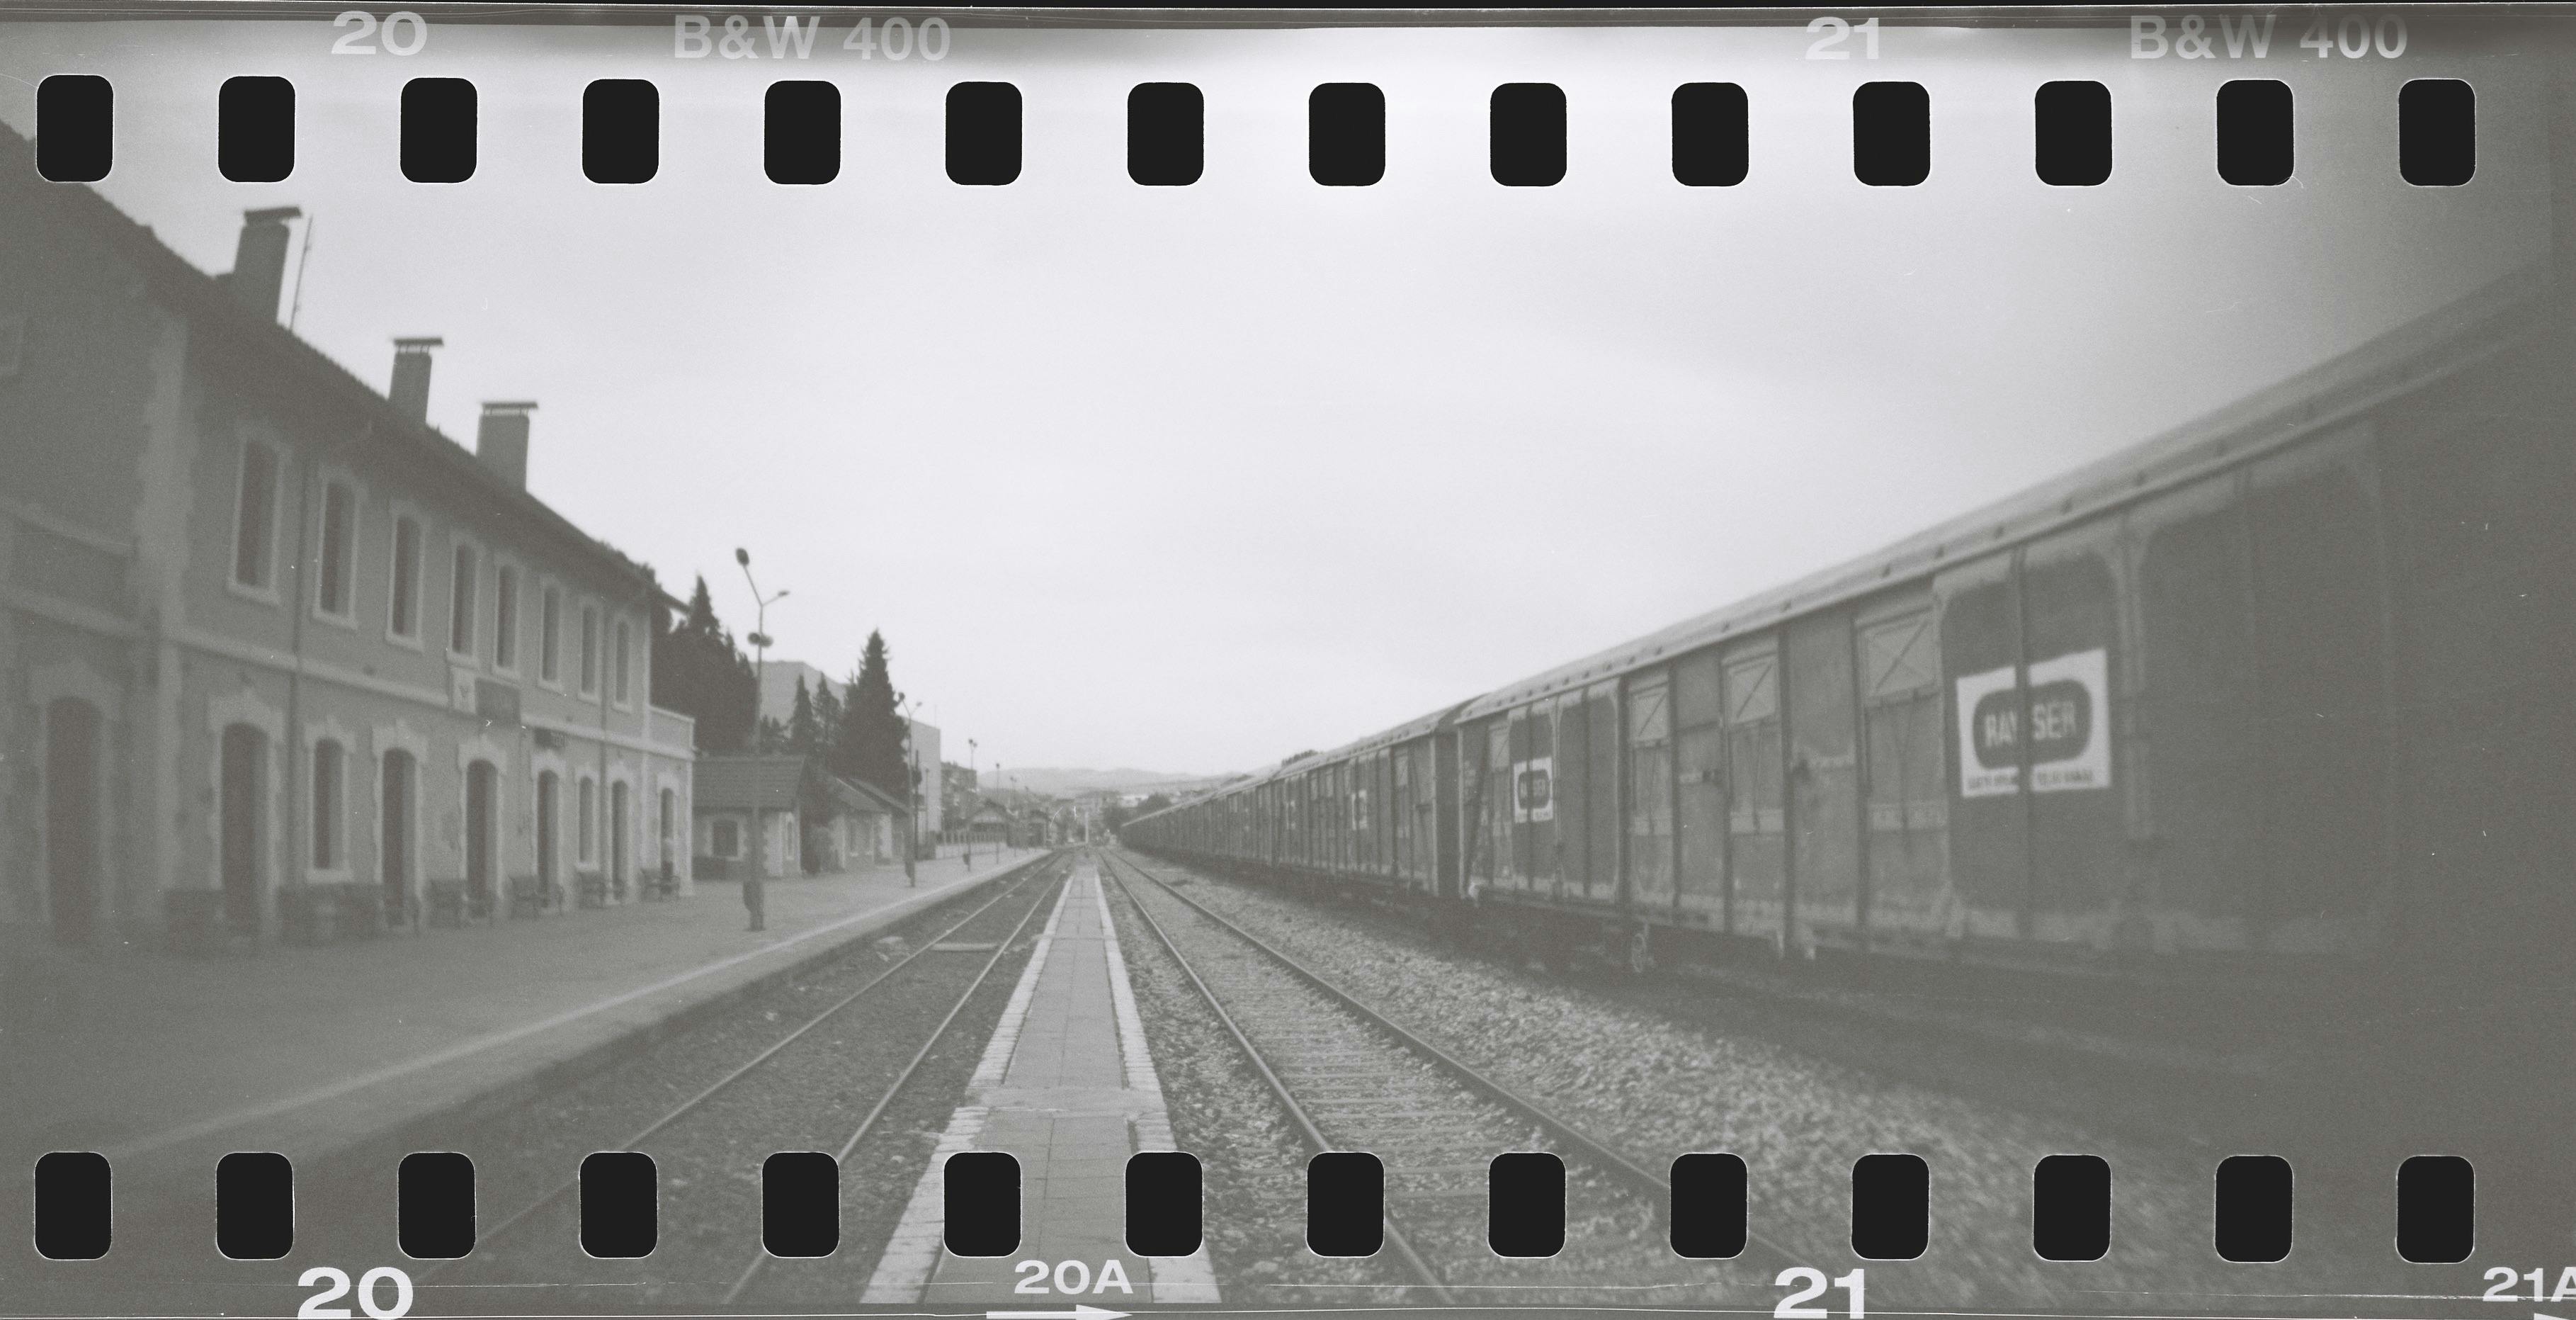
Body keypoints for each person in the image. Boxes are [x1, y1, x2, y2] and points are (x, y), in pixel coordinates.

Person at [744, 868, 766, 932]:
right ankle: (758, 924)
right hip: (753, 879)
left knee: (754, 903)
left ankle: (756, 925)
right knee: (755, 903)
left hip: (753, 880)